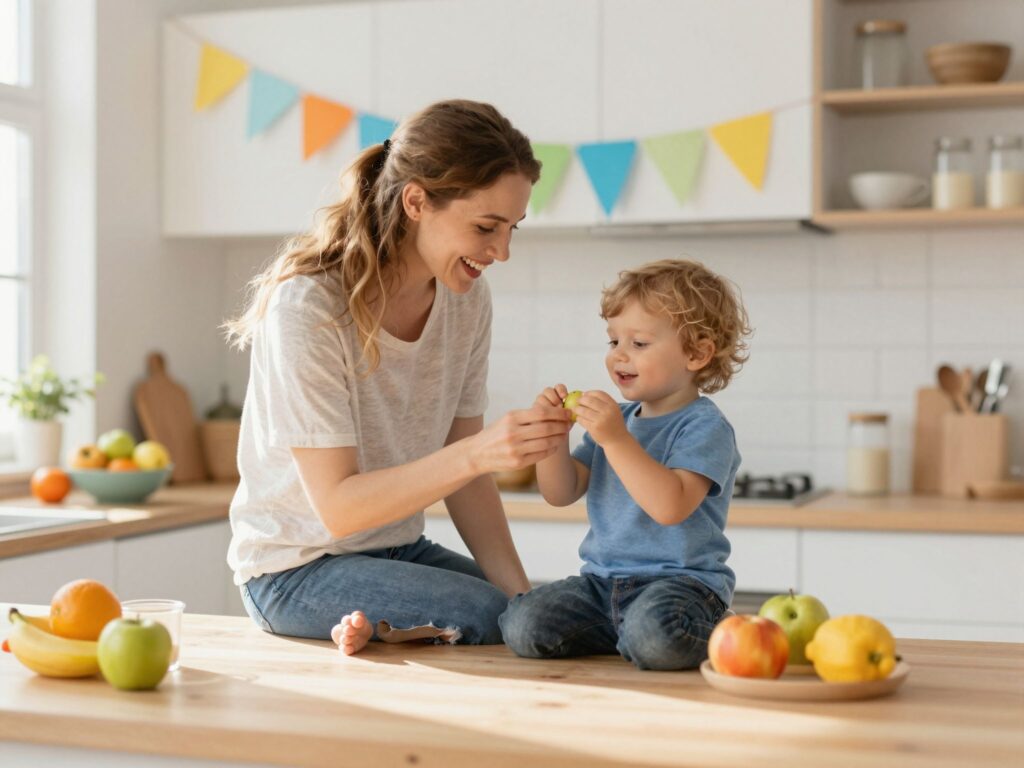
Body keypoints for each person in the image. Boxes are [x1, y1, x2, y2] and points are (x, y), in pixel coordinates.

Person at [223, 99, 571, 655]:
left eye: (512, 229)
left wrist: (527, 601)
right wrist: (480, 453)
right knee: (487, 615)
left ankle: (386, 632)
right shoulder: (309, 307)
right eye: (486, 226)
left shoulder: (468, 301)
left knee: (544, 617)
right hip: (294, 571)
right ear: (417, 201)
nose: (501, 251)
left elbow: (469, 479)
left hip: (396, 551)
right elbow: (339, 508)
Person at [500, 259, 752, 670]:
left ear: (697, 353)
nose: (619, 356)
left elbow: (670, 507)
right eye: (613, 341)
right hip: (601, 585)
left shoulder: (704, 426)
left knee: (655, 633)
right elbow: (560, 493)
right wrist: (553, 439)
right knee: (523, 624)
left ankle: (723, 633)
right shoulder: (616, 420)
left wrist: (615, 439)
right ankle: (631, 637)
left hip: (682, 585)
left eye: (638, 344)